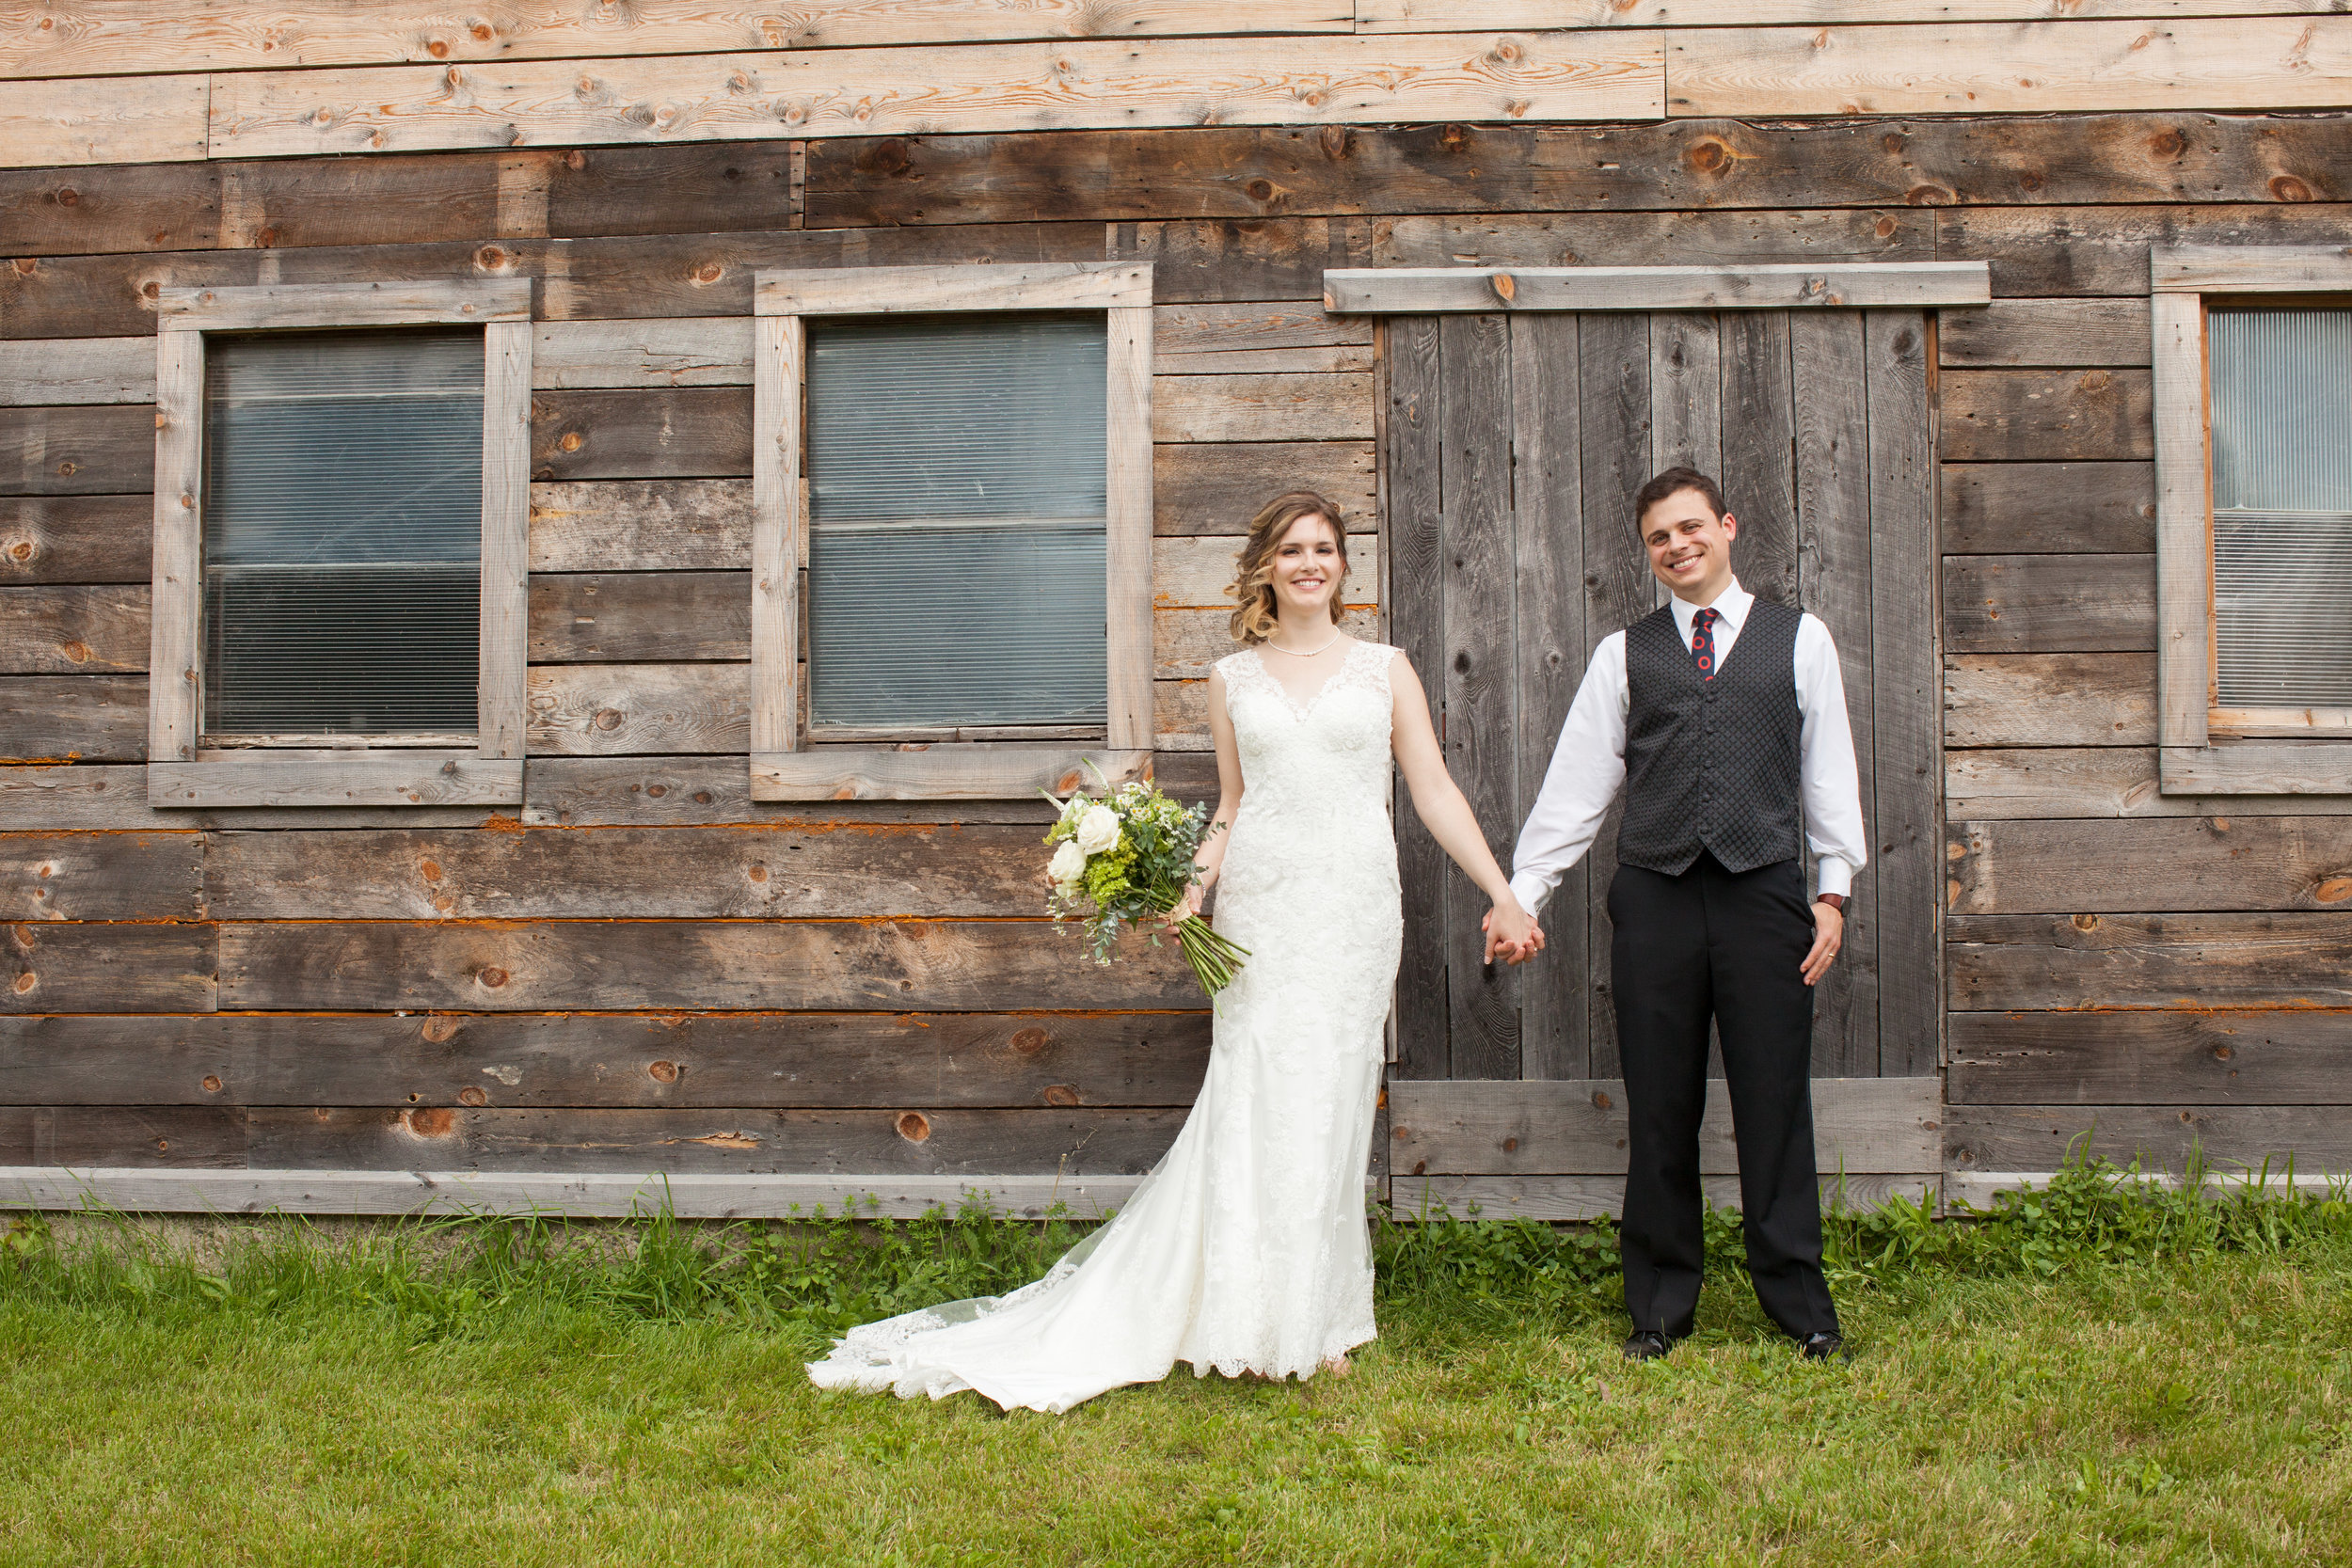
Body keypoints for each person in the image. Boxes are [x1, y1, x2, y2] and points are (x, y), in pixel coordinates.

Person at [806, 489, 1542, 1413]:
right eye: (1290, 549)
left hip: (1354, 906)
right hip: (1263, 910)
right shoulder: (1232, 679)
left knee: (1333, 1095)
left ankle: (1312, 1313)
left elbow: (1430, 788)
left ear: (1344, 565)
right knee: (1259, 1093)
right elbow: (1233, 803)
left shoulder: (1385, 669)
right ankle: (1251, 1309)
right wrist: (1192, 891)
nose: (1309, 561)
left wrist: (1501, 889)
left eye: (1323, 547)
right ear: (1266, 567)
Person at [1500, 467, 1866, 1363]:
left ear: (1729, 528)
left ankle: (1800, 1304)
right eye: (1660, 536)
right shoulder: (1625, 654)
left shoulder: (1799, 638)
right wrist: (1523, 890)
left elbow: (1830, 772)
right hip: (1658, 898)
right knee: (1660, 1107)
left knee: (1775, 1103)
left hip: (1765, 897)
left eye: (1692, 527)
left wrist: (1833, 891)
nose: (1678, 545)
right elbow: (1578, 786)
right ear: (1649, 551)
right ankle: (1659, 1307)